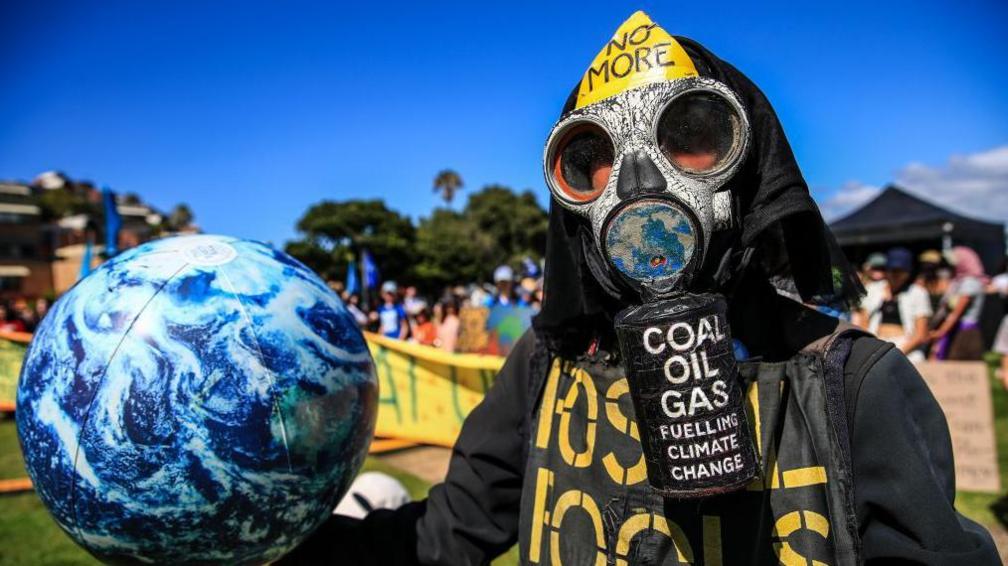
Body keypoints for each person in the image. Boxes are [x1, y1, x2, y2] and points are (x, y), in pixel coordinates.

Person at [281, 11, 996, 565]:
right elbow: (447, 535)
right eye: (590, 155)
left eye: (689, 132)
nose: (638, 182)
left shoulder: (846, 380)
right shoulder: (548, 362)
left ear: (746, 165)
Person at [854, 247, 932, 362]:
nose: (895, 274)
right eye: (892, 270)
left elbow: (920, 334)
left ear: (908, 272)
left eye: (900, 271)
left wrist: (898, 352)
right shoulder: (872, 290)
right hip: (876, 344)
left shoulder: (918, 293)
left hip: (906, 347)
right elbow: (863, 324)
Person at [930, 246, 988, 360]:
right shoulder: (958, 281)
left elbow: (957, 312)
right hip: (954, 329)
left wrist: (941, 332)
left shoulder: (970, 282)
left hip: (964, 333)